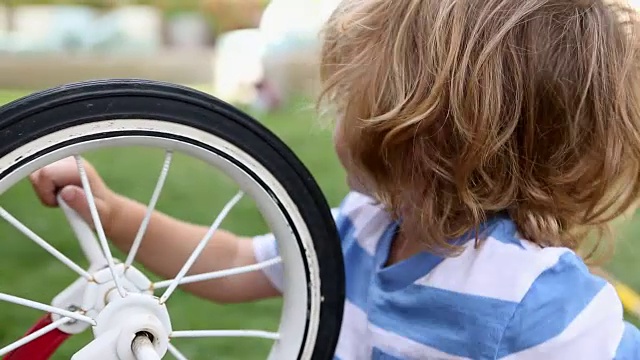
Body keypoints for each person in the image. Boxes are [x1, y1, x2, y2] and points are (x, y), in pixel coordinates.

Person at [29, 0, 640, 358]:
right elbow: (235, 261)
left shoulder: (534, 298)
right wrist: (114, 213)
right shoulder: (363, 227)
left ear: (423, 134)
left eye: (355, 94)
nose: (336, 111)